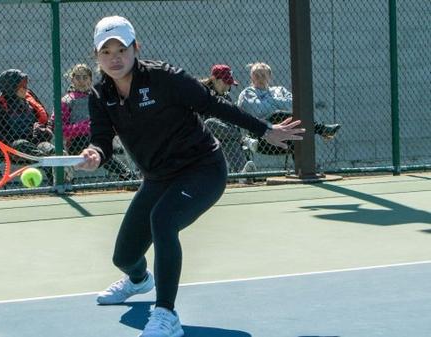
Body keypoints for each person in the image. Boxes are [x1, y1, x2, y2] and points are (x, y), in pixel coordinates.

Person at [75, 16, 304, 337]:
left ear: (135, 48)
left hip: (202, 169)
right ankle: (140, 280)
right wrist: (95, 155)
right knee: (124, 256)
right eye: (106, 51)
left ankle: (166, 315)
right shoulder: (100, 95)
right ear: (96, 56)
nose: (115, 58)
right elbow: (101, 140)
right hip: (158, 177)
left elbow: (214, 105)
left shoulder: (165, 78)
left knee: (163, 221)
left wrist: (265, 130)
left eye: (121, 49)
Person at [52, 63, 135, 181]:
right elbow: (59, 129)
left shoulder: (97, 97)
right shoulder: (67, 100)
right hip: (78, 143)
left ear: (90, 79)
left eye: (85, 77)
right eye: (78, 77)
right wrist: (85, 127)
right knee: (92, 144)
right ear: (72, 79)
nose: (81, 81)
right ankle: (127, 175)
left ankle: (137, 174)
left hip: (102, 137)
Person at [0, 69, 55, 184]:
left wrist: (43, 130)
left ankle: (60, 181)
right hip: (10, 147)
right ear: (11, 88)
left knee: (50, 149)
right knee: (21, 144)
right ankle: (49, 165)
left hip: (34, 141)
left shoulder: (28, 101)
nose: (26, 88)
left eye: (25, 85)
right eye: (22, 86)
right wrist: (6, 139)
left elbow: (45, 121)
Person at [237, 62, 341, 140]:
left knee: (295, 118)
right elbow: (259, 111)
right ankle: (321, 129)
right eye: (256, 75)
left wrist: (268, 101)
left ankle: (302, 168)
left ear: (270, 77)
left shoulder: (279, 90)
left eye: (263, 75)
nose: (260, 78)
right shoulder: (248, 93)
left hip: (288, 128)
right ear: (251, 77)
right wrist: (278, 103)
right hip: (262, 132)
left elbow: (294, 106)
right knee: (278, 114)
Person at [200, 64, 257, 182]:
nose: (228, 86)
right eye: (225, 82)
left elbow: (232, 121)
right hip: (201, 133)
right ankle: (243, 139)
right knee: (210, 123)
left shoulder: (226, 97)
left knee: (230, 140)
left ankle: (241, 175)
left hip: (222, 135)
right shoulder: (202, 92)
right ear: (215, 79)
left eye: (229, 83)